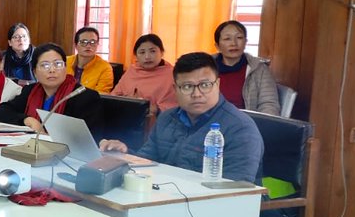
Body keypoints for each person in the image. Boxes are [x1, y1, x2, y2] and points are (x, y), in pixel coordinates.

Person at [102, 52, 264, 184]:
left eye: (205, 85)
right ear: (175, 89)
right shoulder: (167, 119)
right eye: (187, 86)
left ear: (218, 84)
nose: (197, 94)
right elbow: (146, 162)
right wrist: (123, 154)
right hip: (165, 200)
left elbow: (238, 189)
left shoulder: (239, 128)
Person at [0, 43, 103, 134]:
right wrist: (26, 120)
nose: (52, 70)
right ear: (35, 72)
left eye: (58, 64)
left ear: (65, 68)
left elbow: (90, 137)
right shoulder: (31, 91)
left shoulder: (84, 96)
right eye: (45, 65)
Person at [213, 20, 280, 115]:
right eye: (227, 39)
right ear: (217, 46)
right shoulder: (204, 67)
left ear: (245, 42)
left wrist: (256, 126)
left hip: (247, 124)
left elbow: (269, 104)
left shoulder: (259, 69)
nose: (234, 43)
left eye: (239, 37)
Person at [112, 34, 178, 117]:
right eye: (142, 52)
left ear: (161, 52)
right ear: (136, 56)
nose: (147, 57)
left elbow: (175, 109)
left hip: (159, 122)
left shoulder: (172, 75)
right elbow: (114, 96)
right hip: (126, 118)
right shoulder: (132, 70)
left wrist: (156, 110)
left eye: (152, 51)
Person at [65, 27, 114, 93]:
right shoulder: (65, 62)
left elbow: (101, 95)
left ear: (97, 45)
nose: (88, 46)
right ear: (76, 45)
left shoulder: (105, 68)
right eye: (83, 42)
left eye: (93, 42)